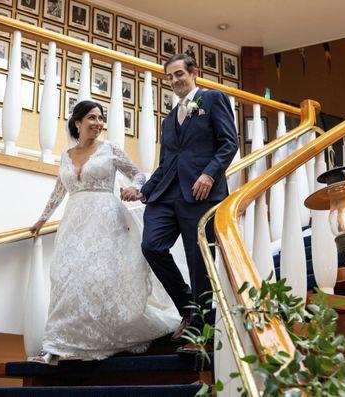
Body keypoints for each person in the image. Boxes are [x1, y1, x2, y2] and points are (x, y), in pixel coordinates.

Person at [29, 100, 181, 364]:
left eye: (101, 118)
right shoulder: (66, 155)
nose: (98, 123)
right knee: (64, 279)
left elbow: (139, 176)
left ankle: (89, 342)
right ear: (77, 122)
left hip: (106, 219)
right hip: (74, 224)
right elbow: (59, 191)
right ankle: (55, 345)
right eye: (92, 117)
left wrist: (134, 190)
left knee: (98, 281)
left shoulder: (110, 149)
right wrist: (41, 221)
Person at [121, 54, 238, 353]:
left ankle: (201, 333)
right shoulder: (169, 120)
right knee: (152, 246)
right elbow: (165, 164)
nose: (174, 81)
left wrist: (209, 175)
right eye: (170, 77)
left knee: (199, 261)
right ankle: (188, 307)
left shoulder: (213, 99)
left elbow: (229, 143)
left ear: (194, 72)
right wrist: (144, 191)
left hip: (200, 194)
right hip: (167, 196)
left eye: (179, 74)